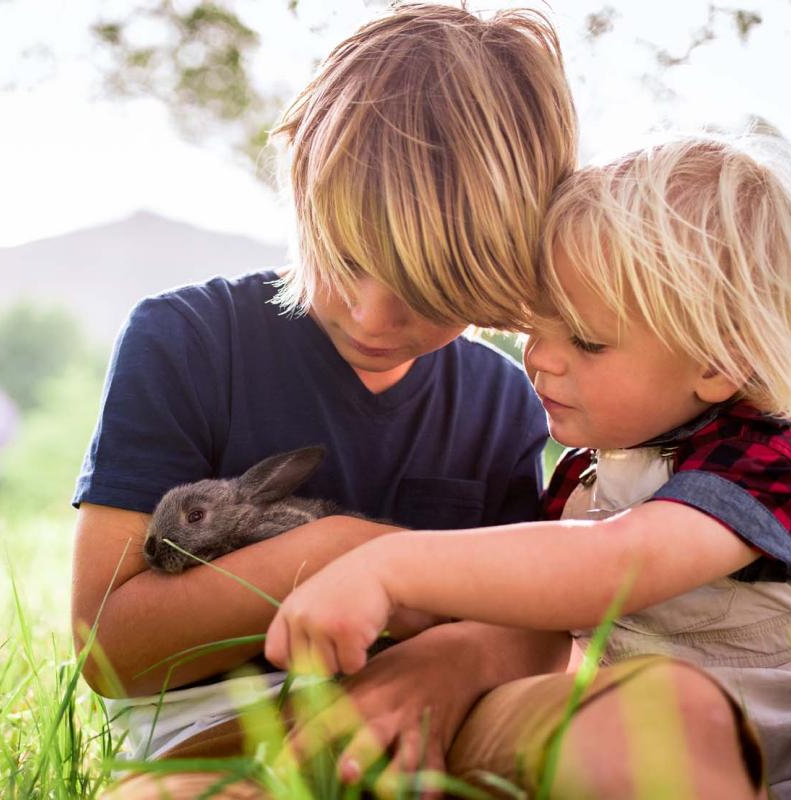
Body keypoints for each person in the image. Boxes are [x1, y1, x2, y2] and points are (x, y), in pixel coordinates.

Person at [266, 134, 791, 799]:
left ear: (719, 363)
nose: (541, 357)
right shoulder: (584, 480)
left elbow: (613, 566)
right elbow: (545, 619)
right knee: (648, 715)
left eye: (585, 339)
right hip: (718, 760)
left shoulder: (758, 459)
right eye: (535, 324)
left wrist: (388, 569)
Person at [70, 3, 578, 795]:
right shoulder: (187, 342)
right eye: (344, 256)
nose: (372, 315)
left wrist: (452, 660)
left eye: (427, 289)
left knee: (623, 729)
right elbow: (112, 651)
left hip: (431, 706)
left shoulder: (501, 401)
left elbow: (539, 628)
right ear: (301, 181)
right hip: (215, 731)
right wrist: (354, 554)